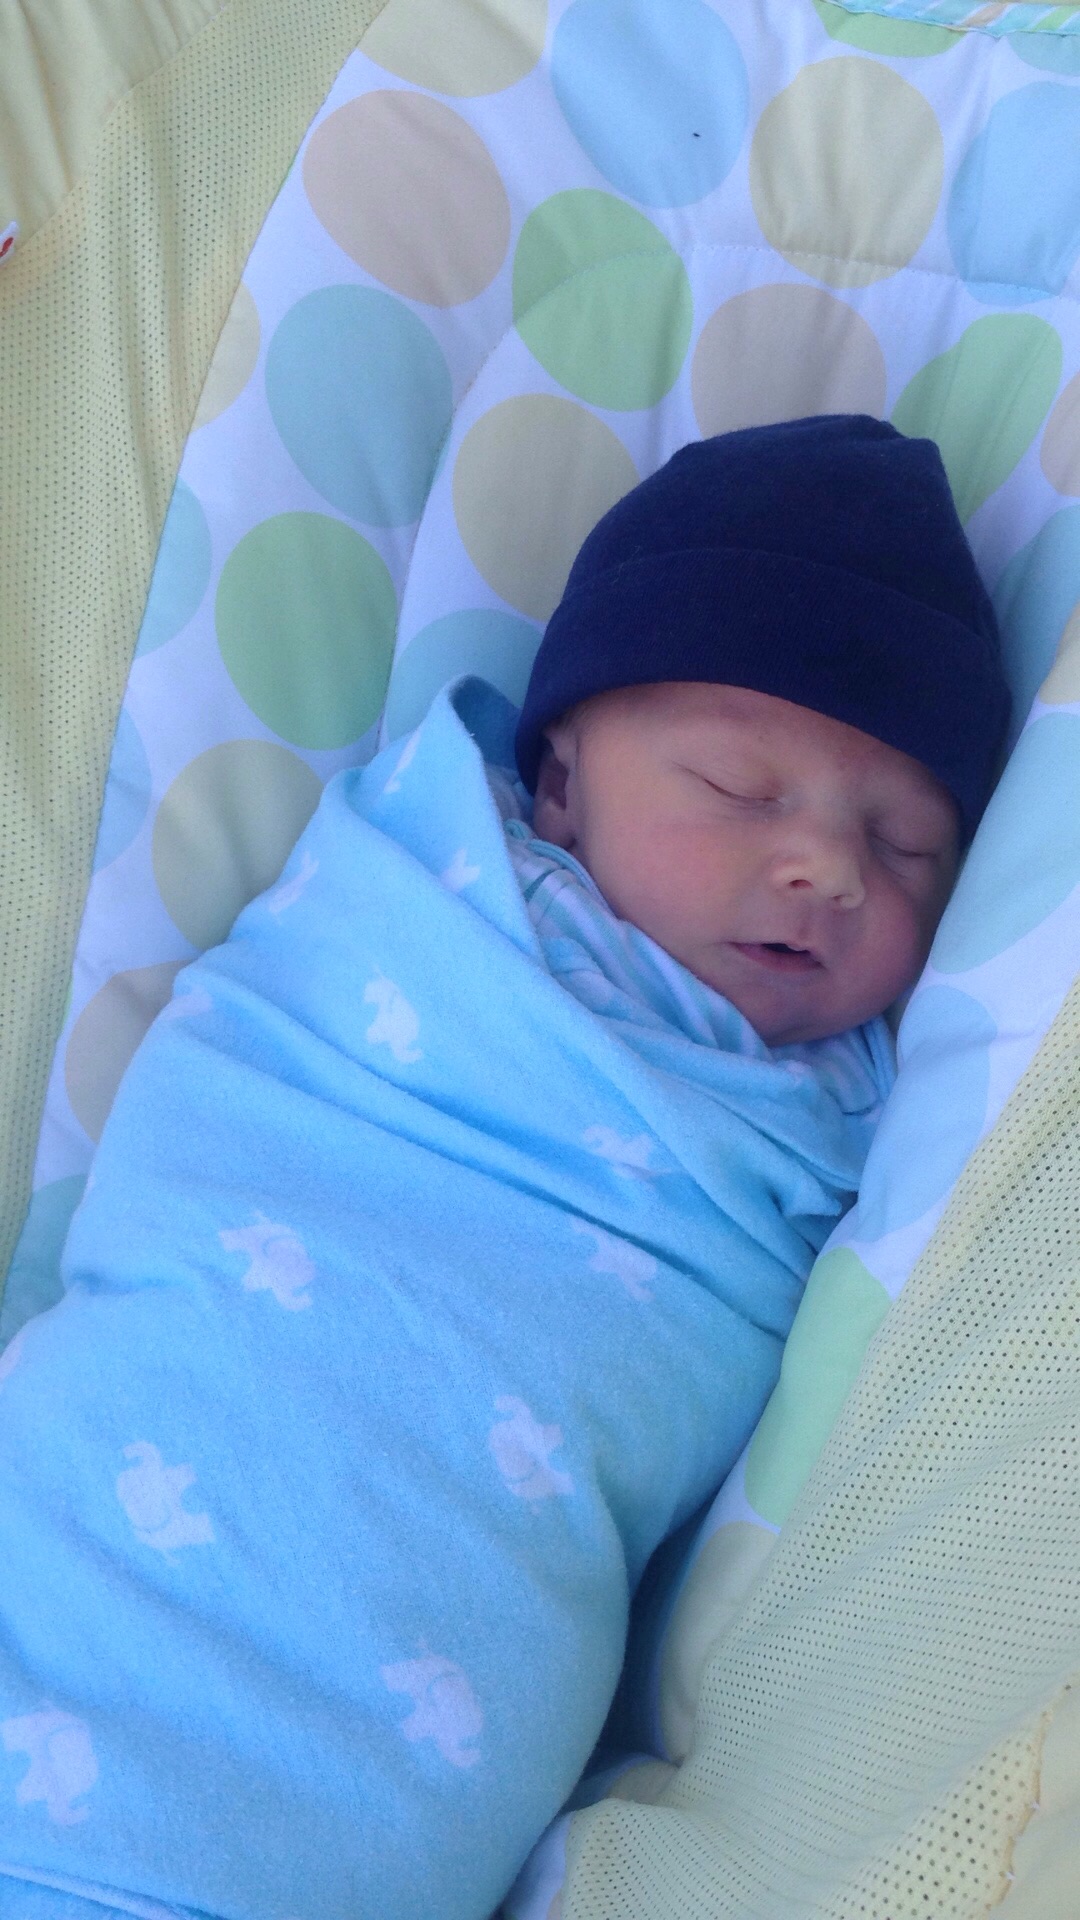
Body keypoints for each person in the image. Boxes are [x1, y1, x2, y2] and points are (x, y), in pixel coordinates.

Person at [0, 418, 1008, 1920]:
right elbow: (237, 1092)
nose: (830, 868)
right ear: (558, 780)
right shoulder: (408, 894)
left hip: (394, 1714)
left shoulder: (854, 1107)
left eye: (908, 845)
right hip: (112, 1500)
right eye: (741, 787)